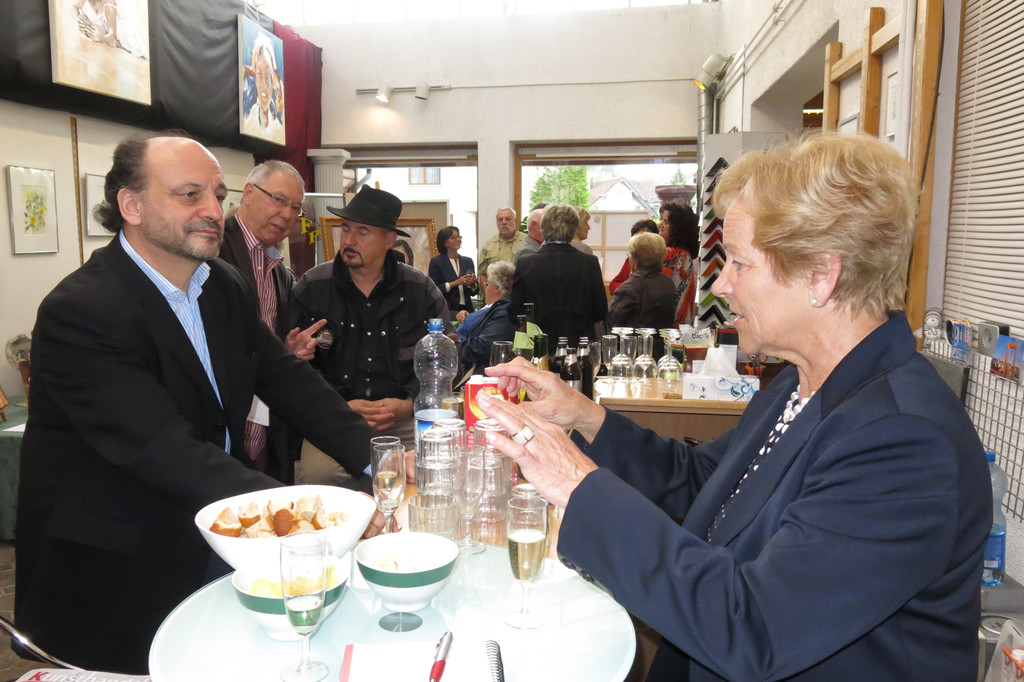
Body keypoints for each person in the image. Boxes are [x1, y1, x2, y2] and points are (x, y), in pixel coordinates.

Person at [477, 134, 989, 681]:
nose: (721, 284)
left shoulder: (904, 443)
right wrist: (584, 415)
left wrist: (576, 484)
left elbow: (755, 629)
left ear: (821, 276)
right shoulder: (801, 383)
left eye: (740, 263)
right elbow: (705, 481)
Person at [14, 132, 382, 674]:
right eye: (190, 194)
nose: (213, 210)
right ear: (131, 205)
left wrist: (381, 459)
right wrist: (312, 516)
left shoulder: (222, 285)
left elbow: (288, 381)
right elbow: (163, 449)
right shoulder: (83, 310)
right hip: (122, 565)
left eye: (218, 194)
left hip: (215, 536)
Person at [288, 186, 454, 482]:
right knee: (319, 476)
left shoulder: (419, 289)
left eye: (362, 232)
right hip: (335, 420)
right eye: (345, 229)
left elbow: (447, 353)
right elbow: (293, 367)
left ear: (389, 240)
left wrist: (411, 402)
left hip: (405, 419)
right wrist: (337, 406)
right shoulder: (312, 287)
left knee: (438, 469)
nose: (349, 241)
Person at [218, 160, 323, 480]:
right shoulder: (214, 250)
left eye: (295, 208)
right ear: (248, 193)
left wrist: (286, 351)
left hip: (266, 423)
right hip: (222, 424)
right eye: (278, 200)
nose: (287, 214)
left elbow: (267, 346)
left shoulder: (279, 271)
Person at [508, 204, 607, 347]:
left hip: (539, 344)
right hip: (580, 343)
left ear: (543, 227)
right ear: (574, 228)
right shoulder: (589, 262)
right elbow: (600, 310)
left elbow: (515, 312)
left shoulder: (526, 263)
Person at [606, 232, 676, 337]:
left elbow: (612, 322)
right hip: (663, 343)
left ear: (636, 260)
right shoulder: (668, 282)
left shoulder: (629, 288)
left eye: (630, 255)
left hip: (637, 344)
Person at [457, 260, 516, 370]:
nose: (485, 289)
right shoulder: (497, 308)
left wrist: (451, 347)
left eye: (487, 284)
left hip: (479, 369)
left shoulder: (505, 311)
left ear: (497, 288)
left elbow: (483, 346)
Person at [659, 201, 699, 326]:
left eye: (666, 222)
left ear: (677, 228)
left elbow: (656, 287)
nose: (660, 225)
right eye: (661, 220)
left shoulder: (671, 254)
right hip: (684, 321)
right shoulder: (686, 253)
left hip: (667, 323)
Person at [242, 34, 285, 144]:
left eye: (267, 77)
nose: (264, 85)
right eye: (259, 75)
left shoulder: (278, 129)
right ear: (255, 79)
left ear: (274, 81)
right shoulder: (248, 121)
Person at [428, 225, 478, 316]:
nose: (458, 239)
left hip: (467, 309)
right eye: (453, 237)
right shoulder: (437, 262)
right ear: (445, 243)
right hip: (447, 309)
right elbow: (435, 289)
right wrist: (456, 282)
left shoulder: (468, 261)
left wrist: (473, 284)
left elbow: (474, 292)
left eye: (458, 237)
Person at [608, 218, 658, 294]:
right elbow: (613, 284)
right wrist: (628, 288)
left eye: (645, 237)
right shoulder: (630, 259)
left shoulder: (657, 261)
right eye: (638, 237)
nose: (641, 241)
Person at [478, 206, 524, 287]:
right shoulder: (488, 245)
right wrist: (488, 294)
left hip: (521, 291)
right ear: (497, 222)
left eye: (508, 219)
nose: (504, 222)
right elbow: (483, 274)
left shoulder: (526, 242)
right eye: (500, 219)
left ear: (515, 221)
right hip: (496, 292)